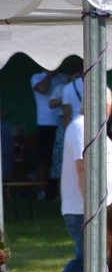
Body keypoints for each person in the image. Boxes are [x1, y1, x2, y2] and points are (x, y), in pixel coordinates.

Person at [40, 89, 112, 272]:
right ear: (106, 106)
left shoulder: (85, 126)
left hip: (93, 209)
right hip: (86, 210)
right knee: (92, 262)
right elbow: (84, 168)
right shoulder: (83, 126)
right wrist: (94, 210)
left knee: (93, 262)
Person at [31, 69, 66, 199]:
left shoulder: (64, 77)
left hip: (63, 123)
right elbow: (43, 89)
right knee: (44, 160)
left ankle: (58, 192)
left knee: (61, 160)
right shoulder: (36, 77)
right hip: (45, 124)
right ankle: (41, 192)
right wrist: (50, 75)